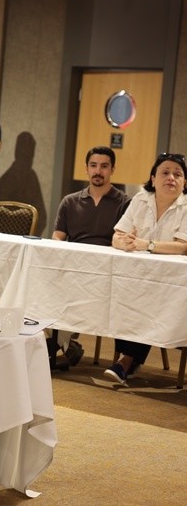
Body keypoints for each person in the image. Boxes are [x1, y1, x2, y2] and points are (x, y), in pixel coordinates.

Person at [104, 152, 187, 385]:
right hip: (136, 275)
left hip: (173, 283)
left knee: (150, 298)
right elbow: (117, 235)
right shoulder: (140, 199)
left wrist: (146, 245)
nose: (171, 178)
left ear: (185, 182)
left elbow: (182, 247)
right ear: (153, 179)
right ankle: (129, 360)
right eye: (165, 172)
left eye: (178, 174)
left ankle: (126, 361)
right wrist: (122, 243)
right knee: (122, 292)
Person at [52, 146, 130, 366]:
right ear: (86, 168)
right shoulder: (69, 201)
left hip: (109, 274)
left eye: (104, 166)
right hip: (74, 270)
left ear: (112, 169)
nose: (98, 171)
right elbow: (57, 237)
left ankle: (62, 346)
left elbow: (126, 241)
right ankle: (64, 346)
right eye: (93, 166)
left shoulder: (125, 203)